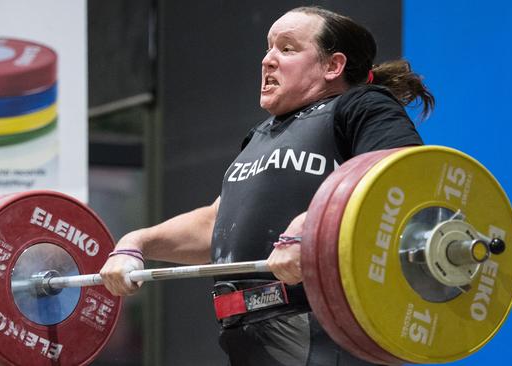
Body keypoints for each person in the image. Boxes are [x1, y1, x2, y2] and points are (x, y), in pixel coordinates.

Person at [100, 5, 434, 366]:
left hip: (325, 328)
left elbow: (396, 173)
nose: (268, 60)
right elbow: (215, 223)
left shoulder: (360, 105)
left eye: (287, 48)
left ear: (332, 66)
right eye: (268, 47)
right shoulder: (261, 136)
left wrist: (308, 229)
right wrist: (137, 243)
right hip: (250, 332)